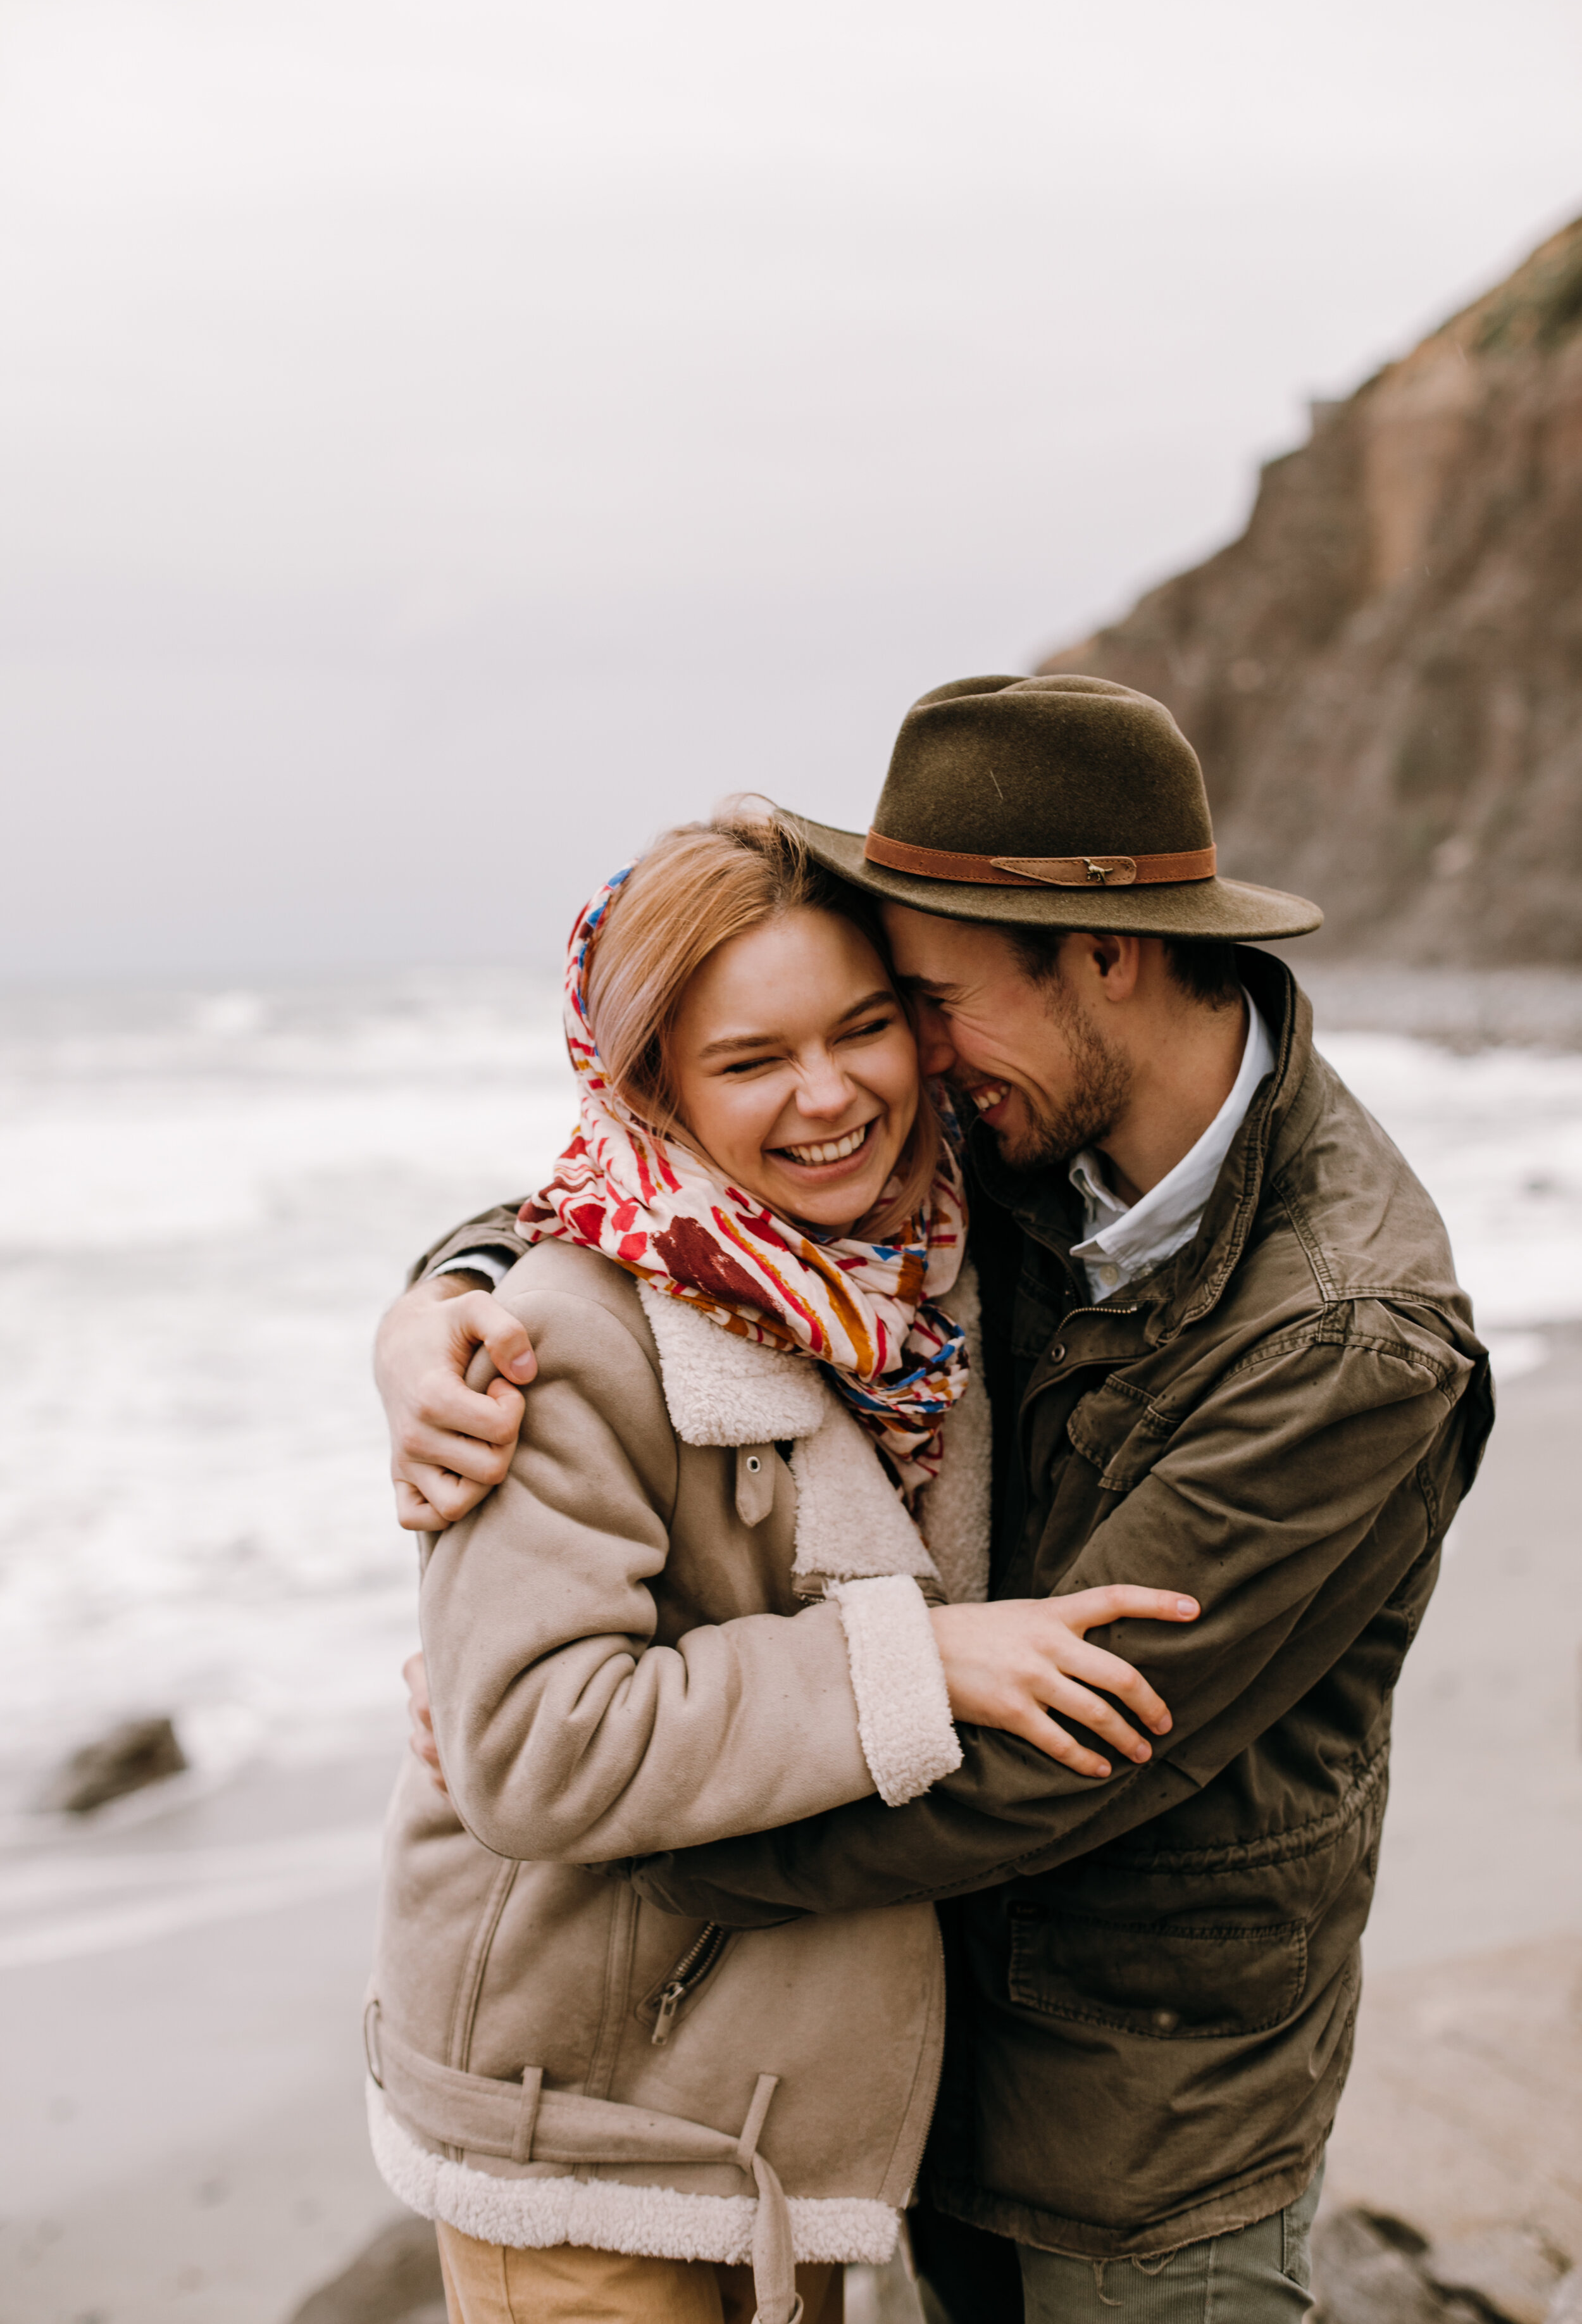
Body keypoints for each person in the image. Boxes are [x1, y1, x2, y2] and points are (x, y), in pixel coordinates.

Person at [380, 675, 1492, 2324]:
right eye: (891, 1006)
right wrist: (442, 1296)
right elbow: (651, 1192)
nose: (885, 1073)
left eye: (918, 1004)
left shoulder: (1339, 1335)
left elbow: (1058, 1749)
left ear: (1100, 958)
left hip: (1148, 2108)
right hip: (901, 2069)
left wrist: (600, 1820)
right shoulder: (1002, 1132)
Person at [368, 804, 1198, 2324]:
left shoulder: (924, 1265)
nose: (830, 1096)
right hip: (589, 2134)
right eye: (752, 1062)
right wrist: (915, 1662)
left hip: (776, 2099)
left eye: (864, 1029)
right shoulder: (556, 1337)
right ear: (653, 1087)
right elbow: (530, 1748)